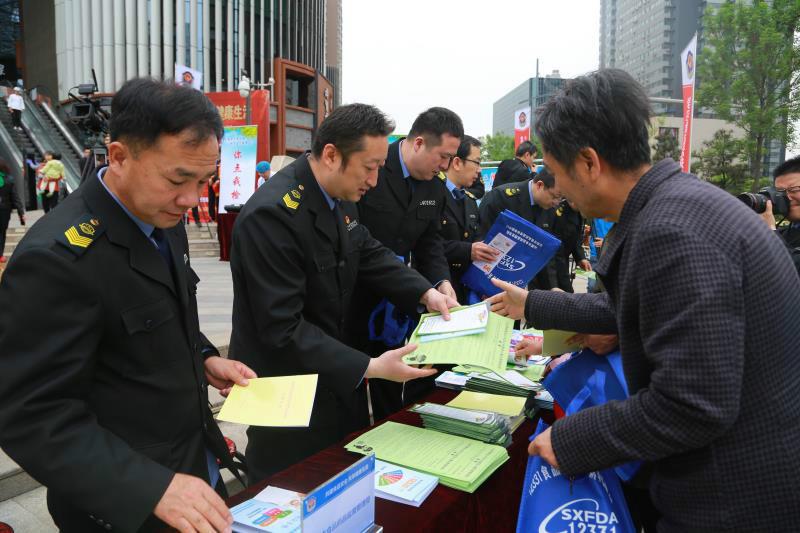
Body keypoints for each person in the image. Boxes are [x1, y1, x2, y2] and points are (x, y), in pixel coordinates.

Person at [489, 68, 800, 531]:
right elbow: (632, 308)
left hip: (728, 500)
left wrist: (575, 437)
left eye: (557, 173)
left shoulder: (672, 233)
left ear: (589, 163)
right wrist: (531, 304)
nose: (560, 192)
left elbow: (692, 405)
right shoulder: (680, 206)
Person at [0, 78, 257, 533]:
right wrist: (149, 487)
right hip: (127, 504)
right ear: (119, 157)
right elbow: (31, 414)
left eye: (203, 180)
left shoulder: (162, 215)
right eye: (178, 179)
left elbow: (157, 315)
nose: (191, 199)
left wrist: (204, 358)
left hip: (196, 470)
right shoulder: (57, 258)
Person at [228, 103, 457, 483]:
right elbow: (281, 328)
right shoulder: (272, 215)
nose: (374, 179)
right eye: (369, 167)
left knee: (343, 484)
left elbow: (368, 252)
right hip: (288, 395)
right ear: (332, 155)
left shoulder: (340, 198)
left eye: (381, 167)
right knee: (290, 492)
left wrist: (425, 292)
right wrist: (370, 367)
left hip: (336, 378)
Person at [349, 106, 463, 420]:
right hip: (356, 298)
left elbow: (430, 243)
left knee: (394, 379)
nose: (444, 166)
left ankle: (389, 433)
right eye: (441, 156)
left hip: (400, 300)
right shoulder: (372, 168)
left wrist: (441, 281)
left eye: (451, 160)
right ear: (417, 143)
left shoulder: (433, 186)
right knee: (354, 386)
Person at [479, 168, 562, 289]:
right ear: (540, 185)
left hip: (521, 280)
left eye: (561, 198)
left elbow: (545, 252)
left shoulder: (548, 208)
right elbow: (481, 238)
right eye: (555, 196)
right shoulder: (501, 198)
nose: (557, 203)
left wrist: (552, 288)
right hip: (490, 274)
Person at [437, 135, 498, 301]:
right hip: (440, 290)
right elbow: (426, 245)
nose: (479, 170)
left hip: (467, 290)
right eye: (477, 162)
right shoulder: (433, 194)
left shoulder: (470, 201)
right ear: (457, 163)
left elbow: (477, 238)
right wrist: (468, 251)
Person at [760, 155, 800, 277]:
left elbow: (792, 274)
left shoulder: (774, 235)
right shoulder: (785, 234)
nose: (787, 198)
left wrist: (770, 232)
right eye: (780, 193)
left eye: (794, 190)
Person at [551, 199, 591, 292]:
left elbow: (576, 238)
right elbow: (557, 248)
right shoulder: (556, 210)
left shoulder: (578, 212)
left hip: (563, 262)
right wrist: (566, 285)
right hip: (551, 265)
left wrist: (581, 258)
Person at [0, 159, 25, 263]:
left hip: (4, 209)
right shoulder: (8, 179)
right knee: (1, 232)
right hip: (4, 210)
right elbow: (14, 197)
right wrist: (21, 213)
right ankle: (0, 255)